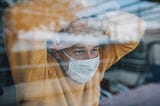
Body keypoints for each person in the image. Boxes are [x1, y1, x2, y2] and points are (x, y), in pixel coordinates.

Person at [2, 0, 146, 106]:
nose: (90, 59)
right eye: (78, 51)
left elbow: (138, 27)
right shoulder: (39, 73)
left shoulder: (96, 68)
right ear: (58, 52)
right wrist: (70, 24)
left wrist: (97, 24)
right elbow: (17, 16)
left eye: (94, 49)